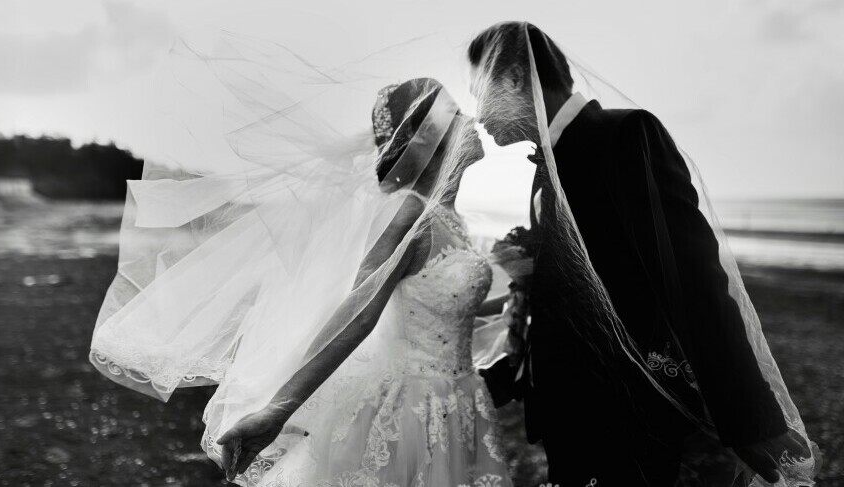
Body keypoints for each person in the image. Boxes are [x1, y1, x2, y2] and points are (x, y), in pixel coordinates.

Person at [91, 77, 514, 486]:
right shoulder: (409, 215)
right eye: (456, 113)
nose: (471, 120)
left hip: (460, 399)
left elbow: (437, 310)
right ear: (425, 136)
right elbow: (358, 313)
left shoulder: (452, 218)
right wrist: (279, 408)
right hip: (411, 411)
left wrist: (518, 298)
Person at [468, 21, 817, 486]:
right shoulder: (545, 166)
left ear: (513, 78)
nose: (478, 113)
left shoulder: (626, 137)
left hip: (631, 423)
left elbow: (696, 281)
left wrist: (752, 421)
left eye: (479, 91)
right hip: (572, 420)